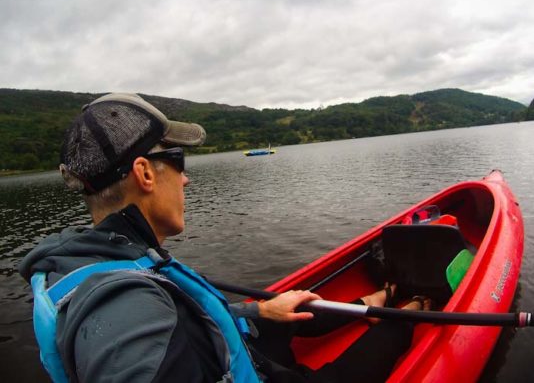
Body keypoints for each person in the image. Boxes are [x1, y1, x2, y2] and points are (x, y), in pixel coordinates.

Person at [19, 93, 429, 383]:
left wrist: (257, 313)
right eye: (176, 162)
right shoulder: (128, 311)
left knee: (280, 315)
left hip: (228, 354)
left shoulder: (103, 253)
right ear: (145, 174)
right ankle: (412, 310)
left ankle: (375, 301)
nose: (186, 178)